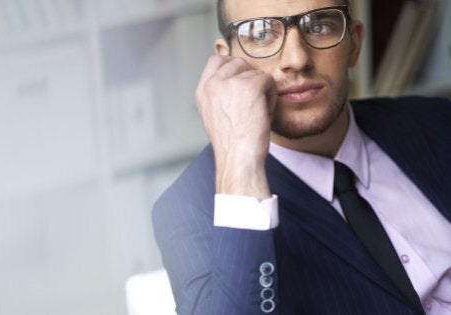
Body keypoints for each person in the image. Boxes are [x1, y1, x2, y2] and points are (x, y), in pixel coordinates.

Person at [152, 0, 451, 314]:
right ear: (226, 63)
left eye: (320, 26)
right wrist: (241, 168)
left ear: (354, 43)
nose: (296, 59)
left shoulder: (435, 121)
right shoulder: (188, 208)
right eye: (261, 33)